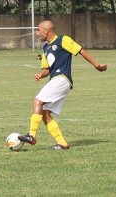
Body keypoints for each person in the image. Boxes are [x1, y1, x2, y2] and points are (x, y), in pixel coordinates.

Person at [18, 20, 107, 150]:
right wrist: (40, 75)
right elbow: (47, 69)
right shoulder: (45, 48)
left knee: (37, 101)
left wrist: (96, 65)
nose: (37, 33)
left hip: (62, 79)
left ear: (46, 31)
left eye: (39, 30)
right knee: (45, 113)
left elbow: (80, 50)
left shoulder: (62, 40)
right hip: (56, 80)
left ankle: (32, 135)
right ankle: (62, 143)